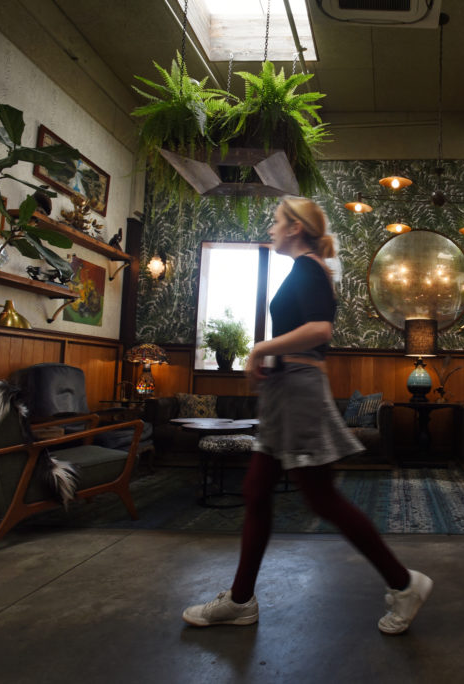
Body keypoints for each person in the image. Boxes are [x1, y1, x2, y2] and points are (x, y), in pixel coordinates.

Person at [183, 196, 432, 635]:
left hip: (299, 390)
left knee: (321, 499)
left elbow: (320, 330)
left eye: (277, 221)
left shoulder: (310, 268)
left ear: (296, 228)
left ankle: (404, 583)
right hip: (286, 389)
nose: (271, 228)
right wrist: (270, 361)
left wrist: (261, 348)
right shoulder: (304, 270)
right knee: (257, 491)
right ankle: (241, 600)